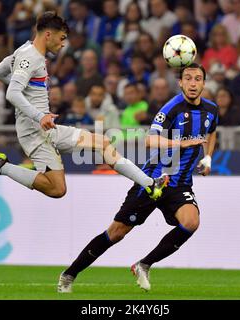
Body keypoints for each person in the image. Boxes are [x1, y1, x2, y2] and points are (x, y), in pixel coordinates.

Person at [0, 12, 168, 201]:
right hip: (35, 133)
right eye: (61, 37)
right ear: (48, 34)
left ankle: (150, 184)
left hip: (47, 130)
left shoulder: (23, 50)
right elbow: (12, 93)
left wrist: (29, 98)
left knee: (103, 143)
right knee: (57, 189)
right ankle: (2, 167)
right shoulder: (30, 57)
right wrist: (39, 115)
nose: (63, 43)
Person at [58, 63, 217, 293]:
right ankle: (69, 274)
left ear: (204, 82)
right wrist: (181, 143)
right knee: (116, 233)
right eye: (188, 79)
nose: (193, 83)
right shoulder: (171, 109)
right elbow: (150, 141)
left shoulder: (211, 110)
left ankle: (143, 264)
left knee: (191, 222)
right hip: (153, 181)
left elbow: (211, 131)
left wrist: (208, 157)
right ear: (180, 83)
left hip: (180, 183)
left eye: (198, 79)